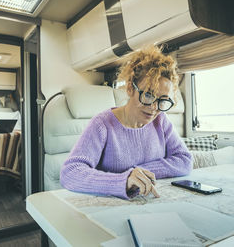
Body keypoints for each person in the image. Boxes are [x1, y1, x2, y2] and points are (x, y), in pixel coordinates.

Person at [60, 46, 192, 200]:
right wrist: (124, 180)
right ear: (130, 88)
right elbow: (70, 172)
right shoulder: (102, 124)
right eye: (148, 95)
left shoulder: (161, 120)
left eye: (163, 100)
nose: (154, 108)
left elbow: (185, 160)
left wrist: (139, 172)